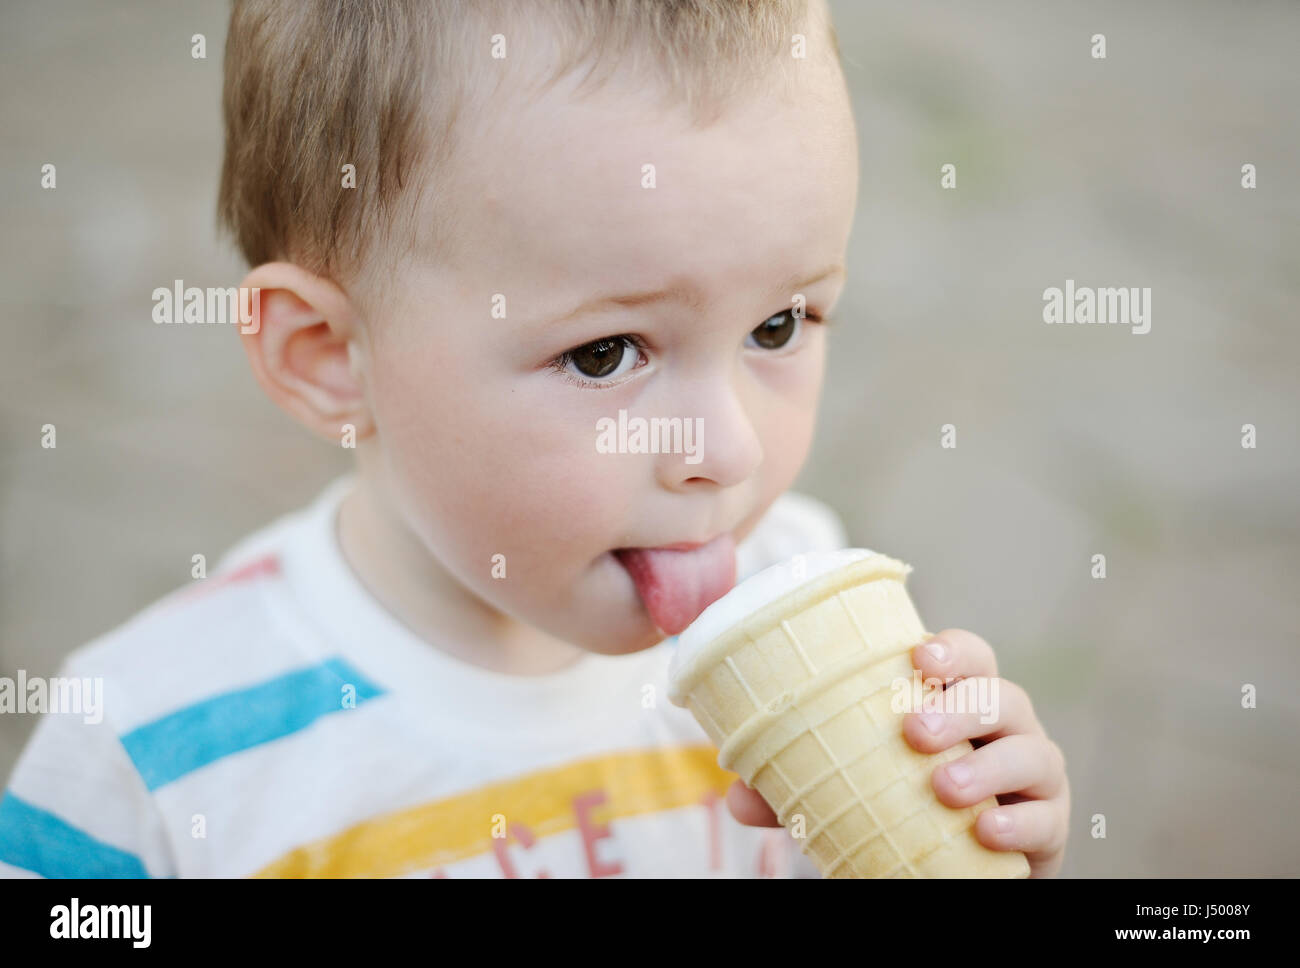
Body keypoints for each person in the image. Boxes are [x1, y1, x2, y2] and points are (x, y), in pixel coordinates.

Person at [0, 0, 1068, 877]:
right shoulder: (153, 752)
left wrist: (967, 827)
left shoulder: (795, 603)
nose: (728, 449)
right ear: (330, 352)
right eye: (606, 354)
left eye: (777, 325)